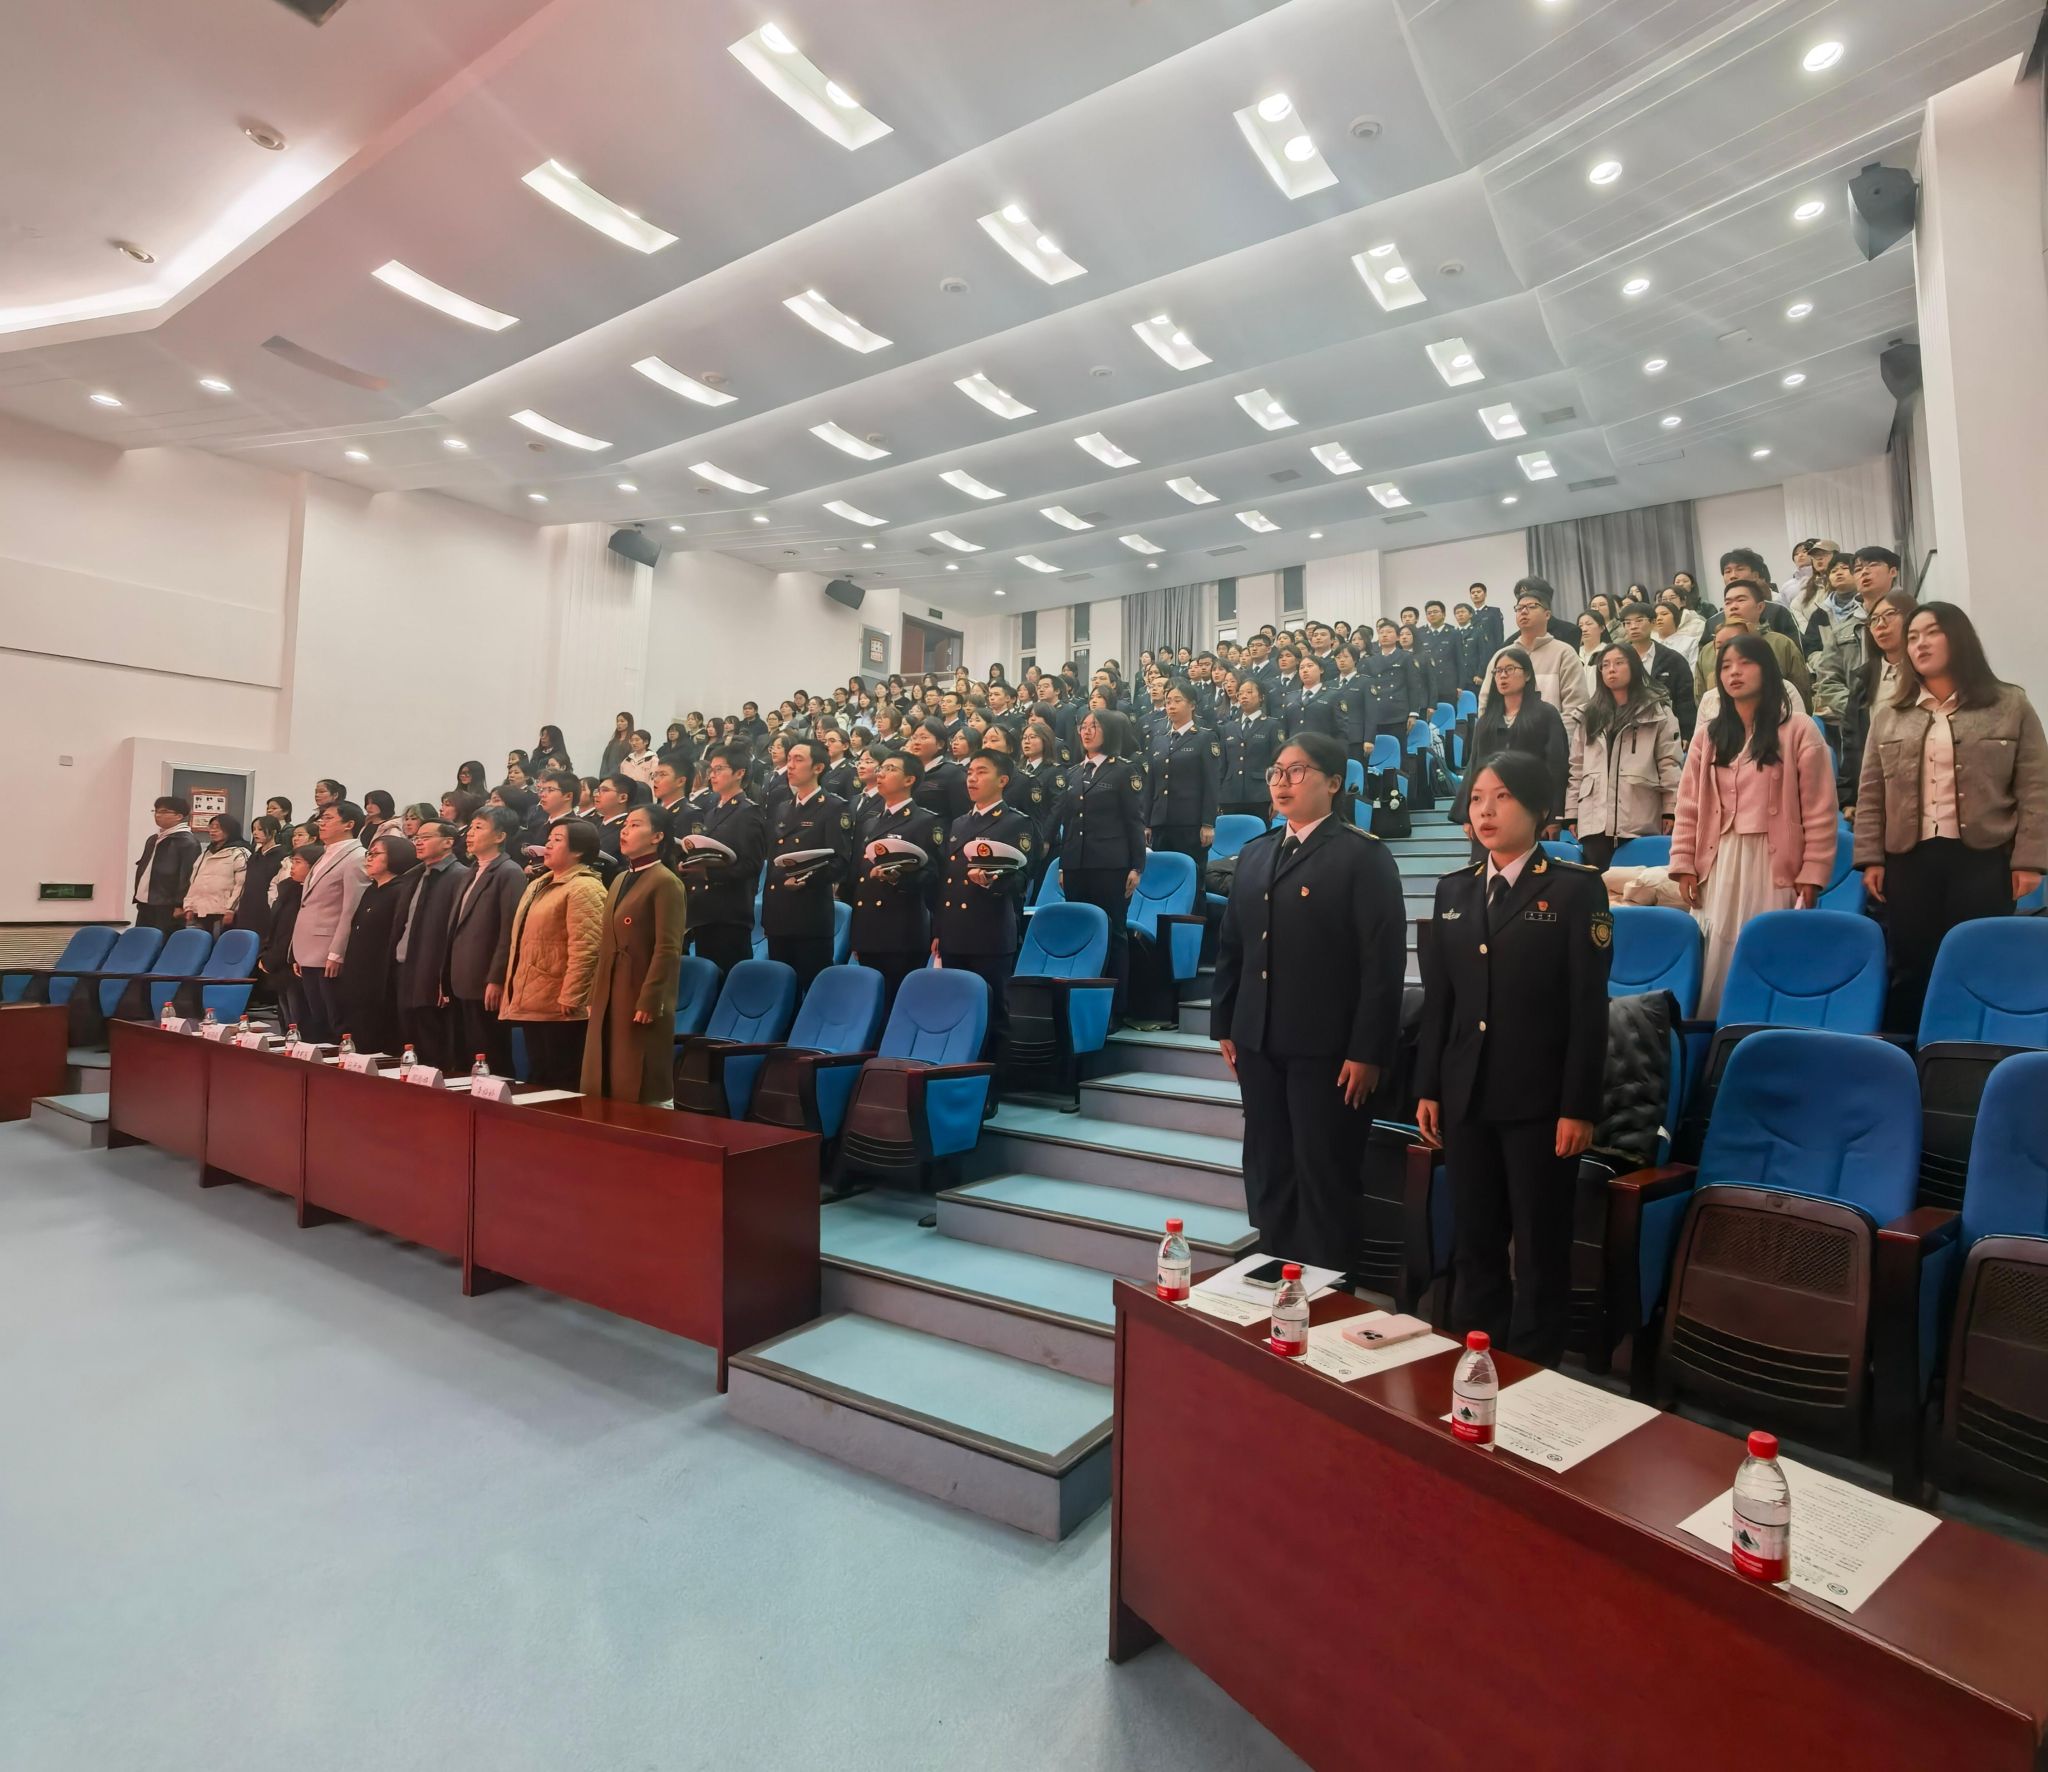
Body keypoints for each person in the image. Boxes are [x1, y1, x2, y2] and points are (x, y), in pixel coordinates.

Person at [1416, 751, 1610, 1366]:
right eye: (1477, 798)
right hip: (1467, 1096)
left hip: (1540, 1104)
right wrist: (1429, 1086)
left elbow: (1588, 1009)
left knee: (1539, 1247)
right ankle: (1476, 1361)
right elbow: (1441, 1004)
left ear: (1537, 807)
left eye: (1501, 797)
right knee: (1475, 1239)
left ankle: (1533, 1372)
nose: (1486, 811)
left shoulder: (1575, 888)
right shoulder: (1454, 890)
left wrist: (1578, 1106)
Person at [1213, 733, 1406, 1272]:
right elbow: (1233, 946)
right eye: (1276, 772)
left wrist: (1368, 1051)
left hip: (1328, 1050)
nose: (1282, 782)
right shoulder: (1256, 853)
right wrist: (1226, 1023)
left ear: (1334, 782)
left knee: (1324, 1174)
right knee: (1268, 1167)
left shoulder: (1362, 855)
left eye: (1297, 772)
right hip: (1258, 1040)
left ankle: (1327, 1297)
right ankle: (1275, 1277)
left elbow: (1382, 965)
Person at [1856, 603, 2048, 1032]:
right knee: (1911, 963)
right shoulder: (1891, 714)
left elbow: (2036, 788)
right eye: (1912, 637)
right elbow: (1871, 792)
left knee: (1982, 959)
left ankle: (1979, 1050)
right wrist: (1870, 857)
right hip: (1909, 858)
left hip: (1983, 857)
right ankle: (1912, 1053)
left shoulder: (2010, 704)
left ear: (1959, 638)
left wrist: (2030, 860)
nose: (1919, 644)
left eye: (1932, 633)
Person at [1670, 635, 1839, 1015]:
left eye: (1745, 663)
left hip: (1772, 863)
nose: (1734, 672)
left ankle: (1768, 1031)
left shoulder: (1799, 729)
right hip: (1719, 861)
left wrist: (1812, 873)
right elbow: (1689, 805)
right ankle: (1716, 1038)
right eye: (1726, 666)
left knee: (1769, 952)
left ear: (1767, 670)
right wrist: (1683, 864)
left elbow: (1820, 809)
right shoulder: (1708, 735)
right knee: (1716, 958)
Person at [933, 750, 1037, 1060]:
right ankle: (958, 1070)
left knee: (993, 1012)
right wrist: (938, 929)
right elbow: (947, 881)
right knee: (955, 1008)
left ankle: (995, 1078)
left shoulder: (1016, 823)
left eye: (981, 772)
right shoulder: (959, 823)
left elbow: (1021, 879)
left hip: (989, 931)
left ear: (1002, 780)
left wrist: (992, 882)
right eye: (969, 773)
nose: (972, 779)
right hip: (954, 931)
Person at [581, 805, 688, 1104]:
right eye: (625, 824)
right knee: (602, 1072)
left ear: (657, 836)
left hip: (638, 988)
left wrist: (650, 998)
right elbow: (606, 944)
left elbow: (668, 948)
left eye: (635, 825)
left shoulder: (666, 882)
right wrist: (593, 994)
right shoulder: (618, 879)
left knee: (636, 1074)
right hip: (609, 986)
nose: (625, 831)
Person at [501, 817, 608, 1088]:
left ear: (579, 850)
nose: (548, 845)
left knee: (561, 1080)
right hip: (534, 997)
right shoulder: (540, 883)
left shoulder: (585, 888)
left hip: (561, 1003)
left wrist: (573, 994)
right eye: (549, 839)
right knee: (539, 1077)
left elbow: (588, 948)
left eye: (557, 840)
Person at [1055, 710, 1148, 1021]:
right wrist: (1063, 865)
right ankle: (1081, 1005)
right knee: (1080, 930)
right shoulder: (1073, 773)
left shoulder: (1123, 770)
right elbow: (1069, 823)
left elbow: (1134, 821)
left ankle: (1115, 1008)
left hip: (1111, 864)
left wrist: (1137, 866)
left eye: (1094, 726)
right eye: (1083, 726)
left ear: (1108, 731)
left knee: (1113, 932)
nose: (1087, 731)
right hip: (1077, 863)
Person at [848, 752, 950, 1013]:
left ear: (909, 780)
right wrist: (857, 933)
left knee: (897, 1005)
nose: (881, 773)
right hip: (869, 927)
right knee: (871, 1006)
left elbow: (933, 876)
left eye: (891, 769)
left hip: (901, 929)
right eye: (881, 768)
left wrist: (899, 878)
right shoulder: (871, 821)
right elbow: (861, 878)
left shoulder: (926, 821)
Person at [1568, 644, 1683, 870]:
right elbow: (1577, 767)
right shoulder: (1588, 714)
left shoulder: (1657, 711)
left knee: (1635, 884)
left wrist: (1670, 808)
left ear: (1634, 666)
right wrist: (1572, 813)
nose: (1611, 669)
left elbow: (1669, 763)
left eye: (1619, 663)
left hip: (1639, 814)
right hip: (1595, 819)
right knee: (1596, 885)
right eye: (1605, 665)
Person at [1451, 649, 1569, 849]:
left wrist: (1554, 815)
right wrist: (1467, 814)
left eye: (1510, 669)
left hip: (1531, 811)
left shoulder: (1546, 714)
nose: (1503, 676)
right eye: (1498, 671)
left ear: (1528, 674)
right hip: (1489, 811)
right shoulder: (1486, 721)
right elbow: (1474, 767)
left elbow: (1557, 767)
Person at [761, 738, 852, 993]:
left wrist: (805, 880)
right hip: (778, 913)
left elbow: (839, 862)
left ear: (818, 768)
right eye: (789, 759)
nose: (790, 765)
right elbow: (773, 861)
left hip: (809, 915)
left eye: (798, 760)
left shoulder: (834, 807)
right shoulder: (782, 807)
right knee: (781, 992)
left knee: (812, 990)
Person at [447, 806, 526, 1076]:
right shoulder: (470, 871)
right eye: (470, 827)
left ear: (500, 836)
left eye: (479, 827)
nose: (470, 833)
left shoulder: (509, 872)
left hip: (484, 979)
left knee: (491, 1053)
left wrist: (497, 978)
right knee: (466, 1051)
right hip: (460, 976)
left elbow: (509, 930)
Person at [679, 744, 767, 975]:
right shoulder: (711, 811)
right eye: (711, 770)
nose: (712, 775)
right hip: (706, 909)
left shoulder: (748, 812)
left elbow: (751, 865)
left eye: (719, 769)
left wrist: (706, 873)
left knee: (727, 975)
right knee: (707, 978)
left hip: (730, 912)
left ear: (739, 773)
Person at [290, 800, 369, 1042]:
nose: (321, 823)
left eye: (328, 818)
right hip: (309, 947)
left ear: (349, 824)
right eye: (321, 818)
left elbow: (351, 909)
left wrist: (337, 952)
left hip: (328, 950)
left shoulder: (356, 857)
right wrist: (297, 949)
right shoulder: (326, 853)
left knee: (334, 1018)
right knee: (316, 1017)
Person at [392, 817, 465, 1071]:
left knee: (433, 1038)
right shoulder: (414, 875)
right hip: (405, 964)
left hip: (433, 969)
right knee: (409, 1036)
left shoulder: (459, 876)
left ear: (448, 842)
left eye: (426, 837)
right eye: (416, 838)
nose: (418, 842)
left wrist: (443, 975)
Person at [336, 832, 416, 1056]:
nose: (368, 858)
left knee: (376, 1033)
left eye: (375, 854)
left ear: (396, 857)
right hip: (358, 971)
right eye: (368, 854)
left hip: (381, 975)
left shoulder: (401, 890)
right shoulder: (372, 889)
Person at [1480, 580, 1588, 731]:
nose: (1524, 611)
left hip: (1553, 739)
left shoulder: (1564, 652)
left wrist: (1558, 740)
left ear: (1547, 614)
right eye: (1519, 608)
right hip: (1507, 740)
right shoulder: (1503, 654)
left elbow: (1575, 706)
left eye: (1532, 607)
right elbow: (1486, 703)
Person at [1695, 578, 1813, 710]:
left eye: (1741, 600)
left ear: (1760, 607)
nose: (1733, 606)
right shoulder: (1708, 651)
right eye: (1728, 602)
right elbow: (1701, 698)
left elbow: (1801, 690)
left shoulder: (1781, 644)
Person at [1145, 683, 1221, 866]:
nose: (1171, 706)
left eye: (1177, 701)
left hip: (1190, 822)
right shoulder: (1159, 740)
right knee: (1163, 872)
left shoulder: (1205, 738)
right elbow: (1151, 784)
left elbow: (1211, 783)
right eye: (1168, 701)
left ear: (1192, 705)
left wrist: (1208, 823)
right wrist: (1146, 822)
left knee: (1192, 872)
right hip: (1160, 821)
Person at [1619, 600, 1696, 739]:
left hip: (1666, 729)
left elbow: (1685, 700)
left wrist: (1686, 733)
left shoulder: (1672, 659)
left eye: (1639, 621)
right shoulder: (1618, 659)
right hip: (1626, 730)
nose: (1633, 627)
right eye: (1628, 623)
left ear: (1653, 622)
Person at [261, 846, 319, 1031]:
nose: (292, 866)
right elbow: (276, 926)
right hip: (277, 960)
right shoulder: (288, 889)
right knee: (284, 1013)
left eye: (298, 862)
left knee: (298, 1016)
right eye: (292, 861)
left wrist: (273, 958)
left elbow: (291, 931)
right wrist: (267, 954)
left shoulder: (311, 894)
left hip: (294, 961)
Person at [132, 797, 201, 932]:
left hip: (167, 904)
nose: (158, 815)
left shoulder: (187, 842)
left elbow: (187, 876)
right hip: (145, 901)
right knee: (142, 938)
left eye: (164, 812)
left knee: (162, 939)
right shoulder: (153, 839)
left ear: (179, 816)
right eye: (156, 811)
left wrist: (180, 904)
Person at [1218, 678, 1280, 817]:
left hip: (1260, 795)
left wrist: (1275, 796)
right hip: (1230, 795)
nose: (1243, 696)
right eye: (1240, 693)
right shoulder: (1228, 728)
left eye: (1249, 692)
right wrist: (1218, 794)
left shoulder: (1272, 726)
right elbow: (1222, 765)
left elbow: (1277, 764)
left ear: (1261, 697)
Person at [179, 814, 249, 934]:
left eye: (218, 828)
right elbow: (194, 881)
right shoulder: (206, 854)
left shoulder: (240, 853)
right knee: (199, 943)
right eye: (211, 827)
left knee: (219, 942)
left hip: (222, 912)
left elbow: (241, 884)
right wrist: (189, 906)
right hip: (200, 911)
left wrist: (231, 909)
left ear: (230, 830)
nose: (213, 831)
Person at [232, 816, 287, 950]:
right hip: (248, 905)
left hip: (266, 907)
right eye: (254, 829)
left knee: (261, 945)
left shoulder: (281, 856)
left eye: (260, 829)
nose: (255, 833)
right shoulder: (255, 855)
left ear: (273, 831)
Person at [600, 712, 636, 779]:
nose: (619, 723)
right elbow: (605, 760)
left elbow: (628, 762)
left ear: (629, 723)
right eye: (617, 721)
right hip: (606, 777)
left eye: (622, 721)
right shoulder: (613, 742)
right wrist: (603, 776)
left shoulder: (632, 742)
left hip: (621, 777)